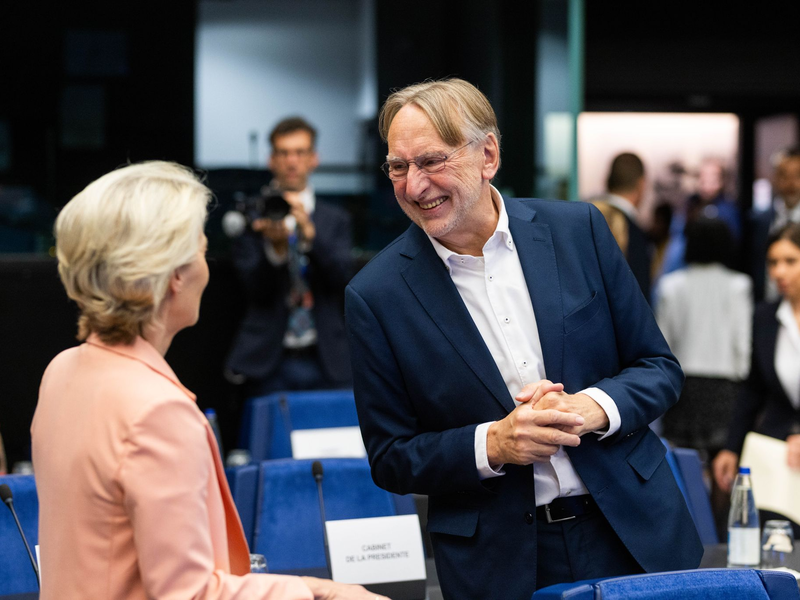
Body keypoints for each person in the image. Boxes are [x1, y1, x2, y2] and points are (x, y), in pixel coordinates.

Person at [345, 79, 701, 599]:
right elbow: (391, 456)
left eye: (431, 162)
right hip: (500, 562)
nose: (414, 186)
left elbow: (658, 368)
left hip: (633, 531)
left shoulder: (579, 230)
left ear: (487, 154)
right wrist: (494, 443)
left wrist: (591, 408)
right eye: (399, 167)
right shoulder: (376, 295)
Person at [31, 162, 384, 600]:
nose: (207, 266)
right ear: (174, 275)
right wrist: (317, 594)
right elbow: (189, 594)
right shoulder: (157, 412)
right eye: (200, 249)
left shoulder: (62, 370)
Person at [225, 117, 354, 400]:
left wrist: (310, 236)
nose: (292, 161)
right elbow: (252, 290)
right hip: (268, 360)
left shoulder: (334, 219)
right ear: (271, 160)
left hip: (328, 358)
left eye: (300, 152)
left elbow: (343, 281)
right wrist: (276, 250)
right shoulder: (252, 216)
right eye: (283, 153)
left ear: (314, 158)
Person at [714, 224, 800, 511]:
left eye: (790, 261)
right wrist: (731, 446)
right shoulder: (766, 316)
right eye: (773, 262)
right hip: (779, 452)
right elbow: (753, 389)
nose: (779, 272)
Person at [655, 217, 752, 455]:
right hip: (725, 386)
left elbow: (662, 343)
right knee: (724, 465)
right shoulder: (739, 285)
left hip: (683, 386)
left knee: (683, 464)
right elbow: (743, 341)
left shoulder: (671, 285)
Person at [590, 152, 653, 301]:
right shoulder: (636, 235)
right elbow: (639, 300)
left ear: (607, 181)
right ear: (642, 184)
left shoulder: (584, 221)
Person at [749, 148, 800, 301]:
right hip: (768, 306)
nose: (791, 183)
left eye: (797, 175)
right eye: (784, 175)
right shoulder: (759, 220)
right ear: (775, 178)